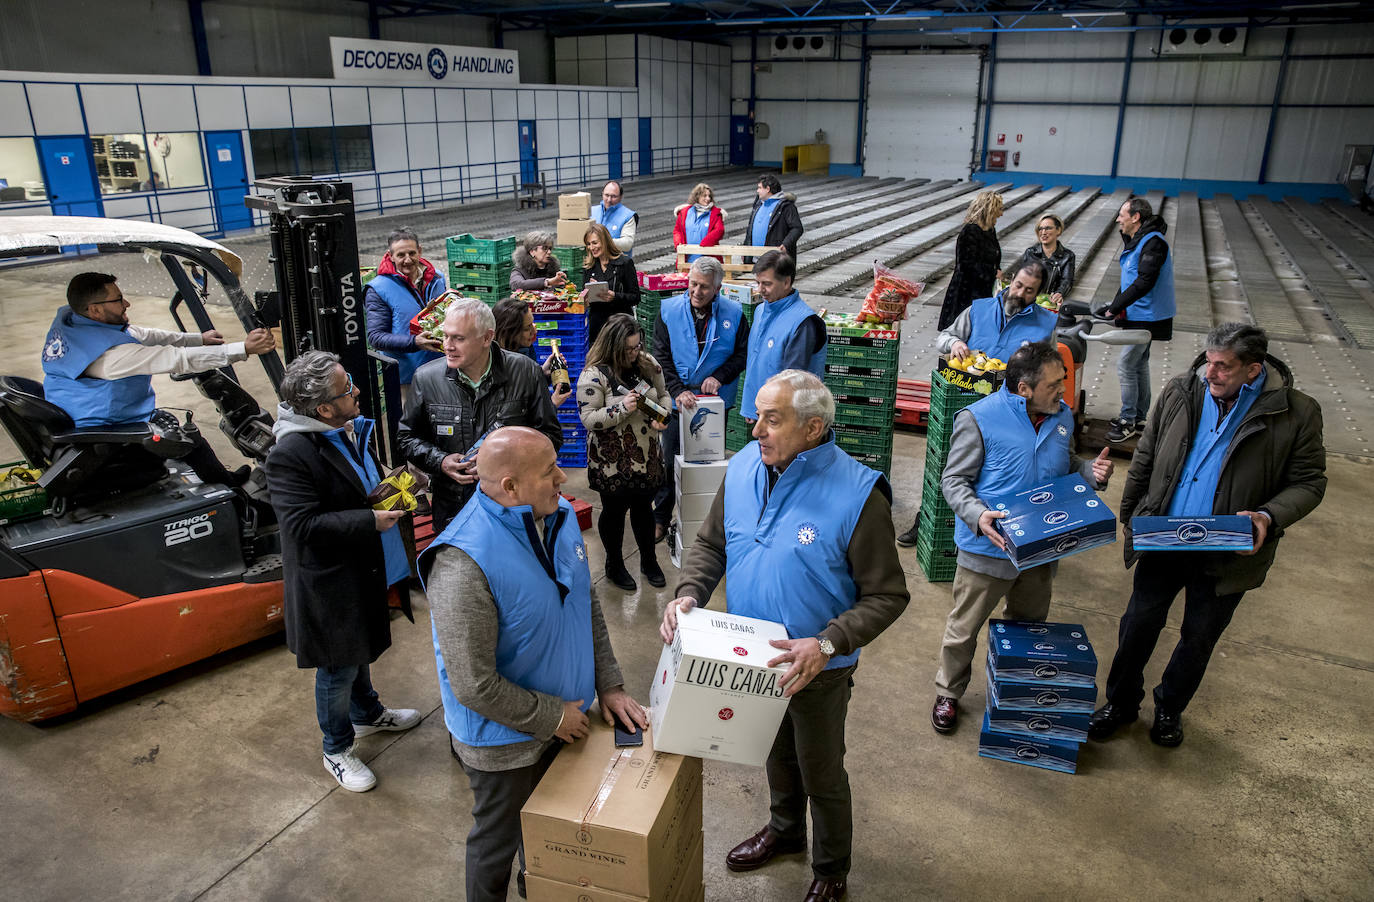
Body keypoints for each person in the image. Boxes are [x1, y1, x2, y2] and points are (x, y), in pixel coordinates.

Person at [661, 370, 909, 902]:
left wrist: (827, 643)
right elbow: (710, 544)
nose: (757, 432)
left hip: (817, 669)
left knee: (820, 770)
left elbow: (888, 596)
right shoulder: (748, 464)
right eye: (756, 417)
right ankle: (786, 831)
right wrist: (690, 592)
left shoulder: (859, 494)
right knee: (774, 754)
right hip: (752, 658)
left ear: (814, 428)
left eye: (773, 421)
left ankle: (831, 867)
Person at [421, 426, 647, 902]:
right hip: (505, 744)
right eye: (549, 472)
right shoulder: (462, 562)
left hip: (569, 721)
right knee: (497, 844)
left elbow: (585, 608)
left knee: (547, 839)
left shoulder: (560, 515)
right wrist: (551, 716)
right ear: (510, 487)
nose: (563, 478)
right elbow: (473, 684)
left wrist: (609, 684)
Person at [1089, 323, 1326, 748]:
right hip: (1166, 534)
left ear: (1253, 370)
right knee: (1138, 624)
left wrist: (1269, 516)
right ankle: (1121, 703)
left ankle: (1169, 708)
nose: (1210, 373)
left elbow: (1310, 482)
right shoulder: (1182, 391)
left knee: (1198, 637)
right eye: (1208, 362)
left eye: (1223, 367)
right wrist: (1133, 516)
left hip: (1229, 547)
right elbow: (1146, 454)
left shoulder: (1297, 413)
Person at [926, 342, 1115, 733]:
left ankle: (1011, 693)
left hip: (1040, 549)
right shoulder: (980, 418)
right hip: (988, 548)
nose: (1061, 391)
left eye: (1062, 382)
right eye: (1053, 385)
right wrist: (979, 516)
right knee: (963, 630)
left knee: (1027, 628)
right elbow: (953, 480)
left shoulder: (1062, 417)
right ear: (1024, 388)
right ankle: (949, 693)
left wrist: (1089, 473)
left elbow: (1067, 465)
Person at [266, 350, 422, 792]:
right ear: (323, 408)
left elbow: (359, 485)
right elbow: (301, 525)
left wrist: (402, 484)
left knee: (359, 649)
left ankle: (368, 713)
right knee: (337, 666)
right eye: (346, 388)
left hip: (361, 566)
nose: (356, 390)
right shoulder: (292, 453)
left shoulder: (345, 429)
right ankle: (336, 748)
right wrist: (370, 522)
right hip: (328, 580)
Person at [40, 271, 275, 487]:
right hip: (105, 434)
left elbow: (142, 335)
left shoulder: (74, 321)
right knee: (190, 441)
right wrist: (244, 349)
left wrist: (197, 339)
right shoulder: (106, 357)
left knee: (174, 427)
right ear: (95, 310)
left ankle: (226, 485)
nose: (126, 304)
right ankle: (235, 495)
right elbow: (176, 359)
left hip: (86, 414)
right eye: (118, 299)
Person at [896, 262, 1060, 548]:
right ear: (1010, 280)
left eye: (1029, 291)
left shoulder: (1046, 324)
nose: (1020, 294)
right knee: (948, 468)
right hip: (964, 407)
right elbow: (944, 337)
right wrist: (954, 344)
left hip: (1009, 417)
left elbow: (1050, 369)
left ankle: (997, 532)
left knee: (995, 476)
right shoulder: (979, 309)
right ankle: (925, 522)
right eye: (1018, 285)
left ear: (1038, 294)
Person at [398, 298, 562, 532]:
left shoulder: (526, 372)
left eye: (459, 338)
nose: (448, 346)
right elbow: (406, 439)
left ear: (487, 338)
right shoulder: (426, 379)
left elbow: (551, 436)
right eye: (446, 336)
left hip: (513, 509)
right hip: (454, 512)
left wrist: (503, 461)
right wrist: (441, 461)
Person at [650, 256, 749, 540]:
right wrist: (678, 390)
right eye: (693, 284)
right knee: (670, 459)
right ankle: (661, 514)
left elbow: (742, 353)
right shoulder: (668, 311)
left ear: (717, 288)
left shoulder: (734, 314)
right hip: (676, 398)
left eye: (704, 287)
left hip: (713, 402)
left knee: (708, 460)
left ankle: (706, 518)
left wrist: (719, 376)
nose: (696, 291)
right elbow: (660, 356)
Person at [576, 313, 671, 591]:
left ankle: (649, 561)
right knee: (614, 513)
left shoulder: (648, 364)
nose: (635, 352)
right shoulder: (594, 375)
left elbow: (664, 396)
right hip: (611, 463)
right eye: (628, 348)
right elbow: (588, 418)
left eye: (637, 346)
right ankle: (614, 564)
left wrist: (662, 416)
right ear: (613, 346)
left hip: (648, 457)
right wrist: (622, 408)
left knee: (644, 510)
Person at [1101, 197, 1175, 444]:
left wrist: (1115, 309)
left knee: (1126, 365)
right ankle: (1139, 415)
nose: (1118, 219)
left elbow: (1144, 282)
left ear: (1135, 217)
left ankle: (1128, 420)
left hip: (1147, 316)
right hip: (1140, 313)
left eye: (1122, 214)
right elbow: (1130, 279)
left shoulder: (1153, 243)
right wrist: (1114, 306)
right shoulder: (1140, 240)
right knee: (1139, 363)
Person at [738, 250, 826, 423]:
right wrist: (752, 405)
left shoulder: (802, 322)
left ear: (786, 282)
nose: (760, 290)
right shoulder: (761, 310)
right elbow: (757, 363)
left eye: (766, 284)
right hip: (762, 412)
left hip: (786, 419)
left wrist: (768, 413)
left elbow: (793, 380)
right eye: (758, 283)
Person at [364, 227, 446, 399]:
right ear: (391, 256)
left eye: (412, 253)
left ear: (420, 251)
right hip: (408, 378)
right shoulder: (379, 289)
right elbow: (376, 337)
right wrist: (414, 342)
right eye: (401, 255)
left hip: (441, 369)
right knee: (413, 424)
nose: (408, 260)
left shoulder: (436, 278)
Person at [937, 190, 1004, 330]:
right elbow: (966, 266)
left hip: (983, 291)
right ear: (990, 209)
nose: (1001, 213)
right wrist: (992, 273)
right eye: (1000, 209)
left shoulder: (990, 230)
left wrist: (996, 270)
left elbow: (994, 258)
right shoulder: (970, 231)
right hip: (966, 294)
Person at [492, 296, 573, 409]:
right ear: (509, 333)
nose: (535, 330)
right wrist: (552, 405)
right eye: (527, 328)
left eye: (533, 323)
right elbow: (517, 416)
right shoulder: (502, 368)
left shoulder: (525, 350)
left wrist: (542, 373)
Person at [582, 222, 641, 343]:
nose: (591, 247)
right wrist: (586, 298)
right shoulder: (589, 267)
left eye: (595, 243)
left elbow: (635, 297)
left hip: (620, 326)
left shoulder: (624, 263)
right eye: (588, 244)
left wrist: (615, 296)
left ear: (605, 241)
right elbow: (583, 298)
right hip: (597, 327)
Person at [744, 174, 803, 260]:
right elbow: (750, 229)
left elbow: (797, 228)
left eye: (760, 188)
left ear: (768, 189)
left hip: (775, 260)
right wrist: (745, 251)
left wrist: (786, 244)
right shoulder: (758, 205)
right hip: (755, 258)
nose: (757, 191)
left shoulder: (786, 206)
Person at [1022, 214, 1076, 306]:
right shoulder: (1030, 252)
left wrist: (1059, 293)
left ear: (1058, 230)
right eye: (1040, 229)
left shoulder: (1068, 256)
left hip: (1052, 303)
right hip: (1030, 302)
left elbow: (1066, 281)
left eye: (1048, 228)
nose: (1043, 232)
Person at [673, 182, 726, 263]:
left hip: (707, 260)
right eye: (704, 196)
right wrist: (679, 244)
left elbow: (719, 230)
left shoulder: (715, 213)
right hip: (687, 258)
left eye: (709, 196)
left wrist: (704, 244)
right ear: (697, 196)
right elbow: (677, 230)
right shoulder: (684, 212)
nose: (708, 199)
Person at [589, 179, 637, 257]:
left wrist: (603, 241)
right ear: (602, 194)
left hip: (617, 264)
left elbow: (627, 244)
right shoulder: (592, 211)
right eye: (606, 195)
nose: (609, 200)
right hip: (594, 264)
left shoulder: (628, 216)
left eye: (613, 196)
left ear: (621, 197)